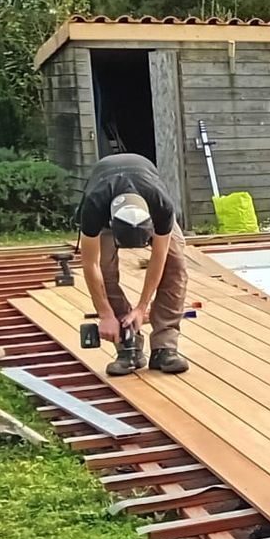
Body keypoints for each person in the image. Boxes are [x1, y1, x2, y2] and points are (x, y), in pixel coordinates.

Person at [76, 152, 189, 375]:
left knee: (176, 267)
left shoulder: (161, 206)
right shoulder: (93, 206)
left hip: (147, 194)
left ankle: (164, 348)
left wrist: (141, 308)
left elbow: (160, 258)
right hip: (106, 204)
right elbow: (91, 265)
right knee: (105, 269)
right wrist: (105, 314)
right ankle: (128, 347)